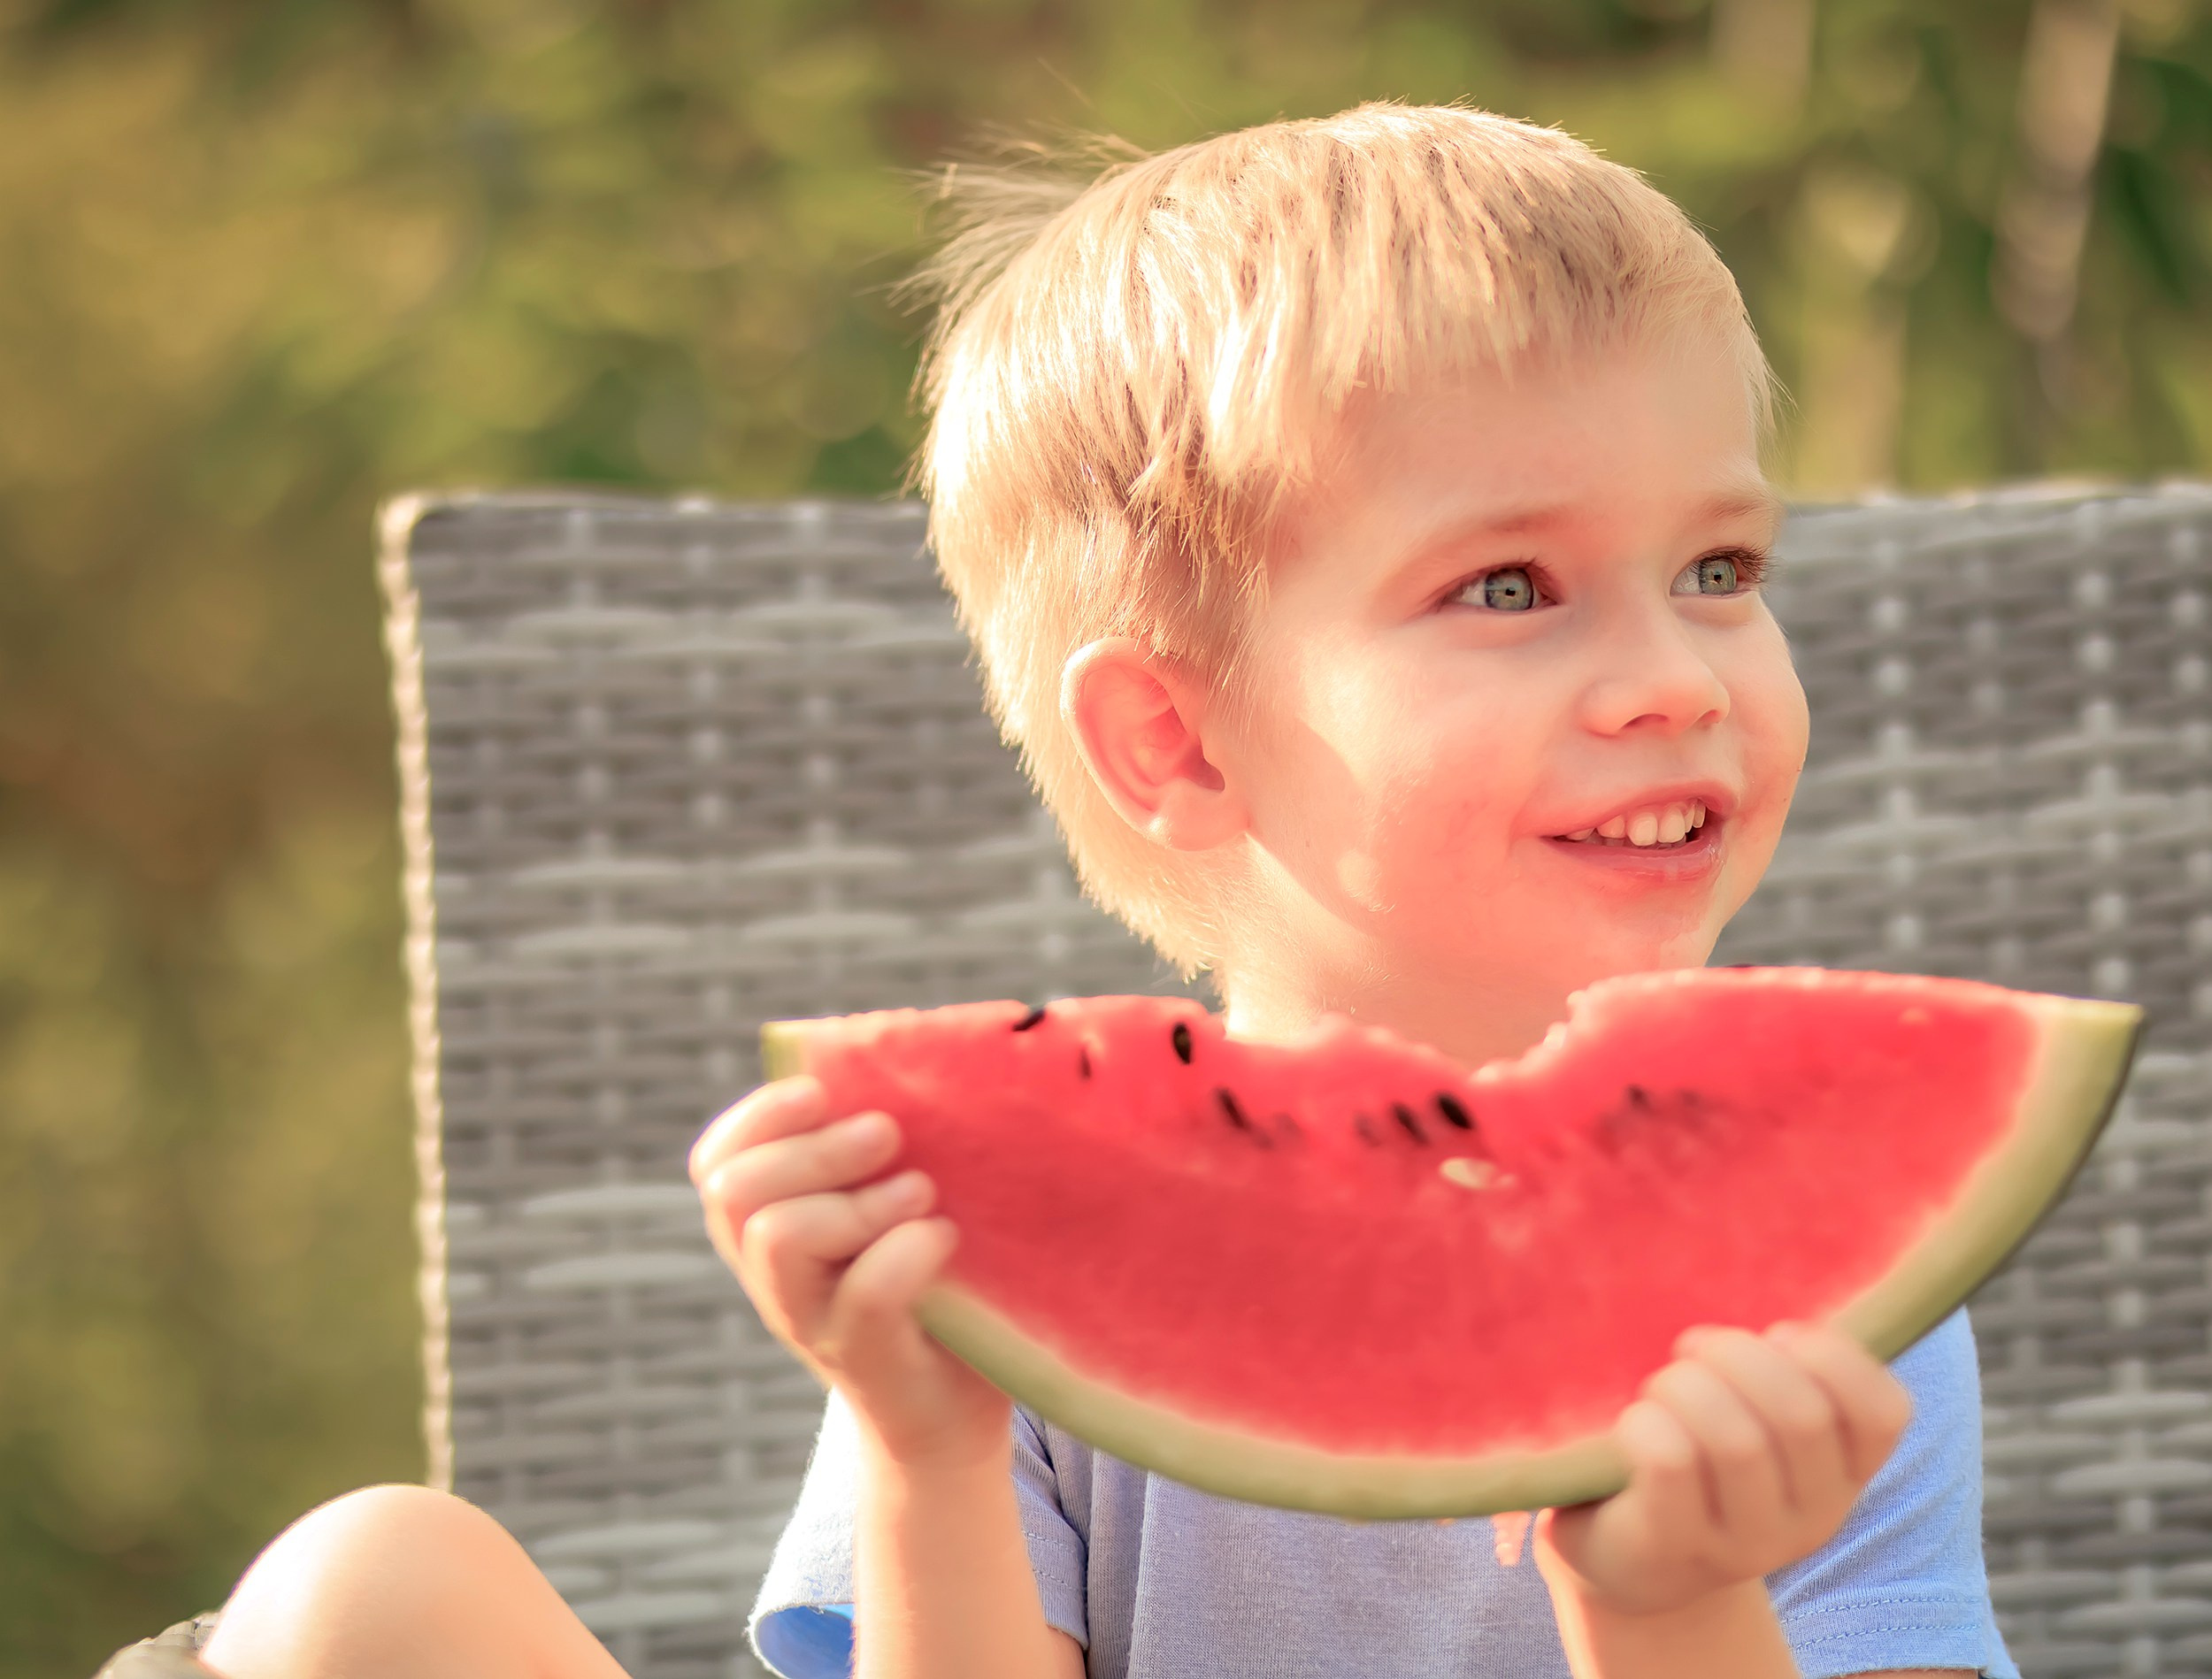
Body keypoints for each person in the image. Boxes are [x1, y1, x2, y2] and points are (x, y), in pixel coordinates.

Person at [187, 103, 2015, 1679]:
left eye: (1716, 562)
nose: (1677, 677)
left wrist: (1670, 1602)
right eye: (1510, 589)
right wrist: (927, 1447)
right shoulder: (1014, 1246)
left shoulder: (1835, 1285)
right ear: (1177, 742)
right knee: (370, 1583)